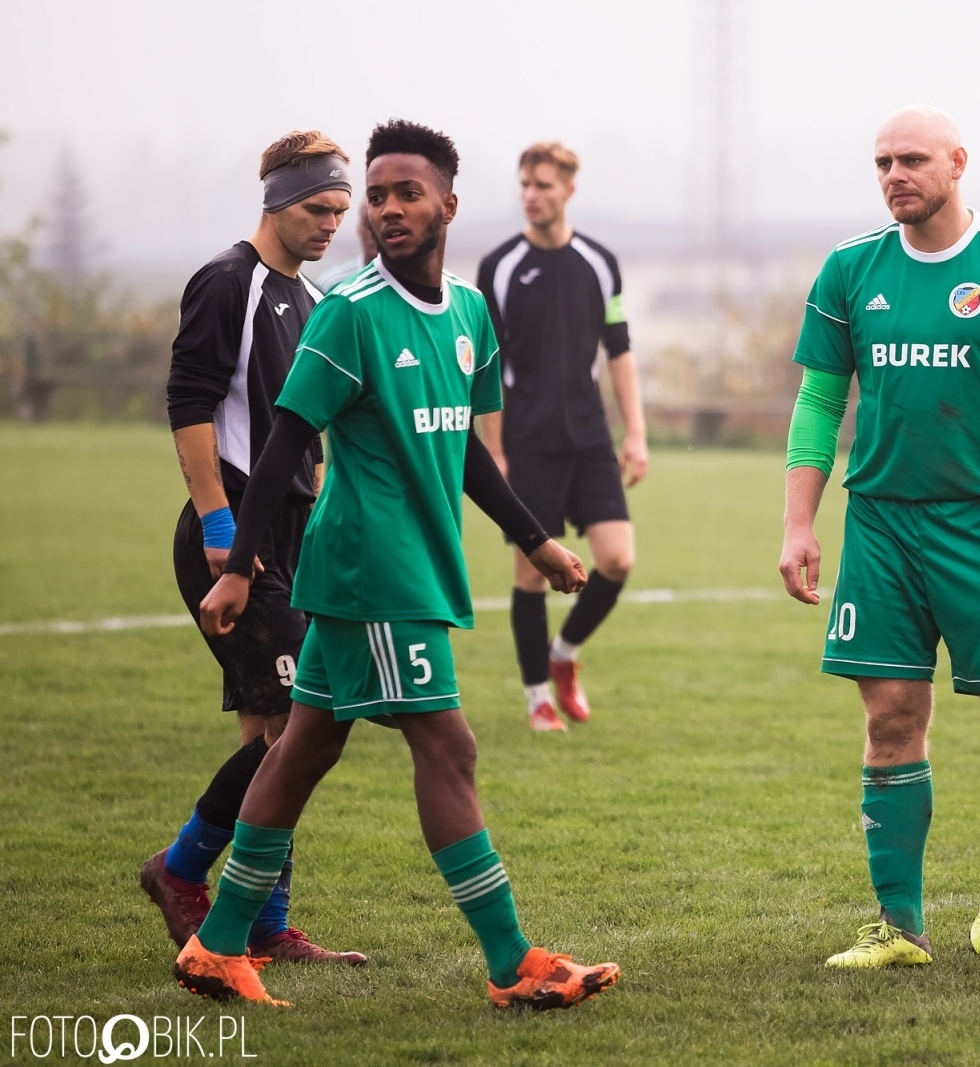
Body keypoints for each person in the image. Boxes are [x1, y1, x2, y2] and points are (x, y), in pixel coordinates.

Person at [174, 119, 620, 1011]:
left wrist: (534, 539)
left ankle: (217, 944)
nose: (385, 210)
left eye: (404, 193)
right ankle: (511, 962)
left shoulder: (466, 313)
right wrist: (234, 564)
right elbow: (286, 444)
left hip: (414, 562)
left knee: (303, 746)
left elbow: (464, 453)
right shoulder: (349, 312)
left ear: (449, 204)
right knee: (448, 745)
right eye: (375, 196)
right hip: (372, 567)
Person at [777, 106, 980, 968]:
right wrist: (799, 524)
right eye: (881, 161)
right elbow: (818, 403)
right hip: (881, 522)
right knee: (890, 717)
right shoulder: (850, 270)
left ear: (958, 162)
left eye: (912, 159)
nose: (893, 174)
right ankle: (900, 925)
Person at [147, 130, 365, 966]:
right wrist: (216, 522)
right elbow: (190, 399)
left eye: (340, 213)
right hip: (235, 533)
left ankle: (265, 924)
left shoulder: (308, 299)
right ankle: (182, 867)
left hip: (291, 537)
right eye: (319, 208)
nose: (330, 225)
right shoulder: (227, 281)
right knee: (294, 731)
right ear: (276, 197)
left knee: (276, 740)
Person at [476, 142, 647, 732]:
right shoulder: (497, 267)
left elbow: (619, 352)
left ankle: (564, 655)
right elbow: (488, 370)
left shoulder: (600, 263)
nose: (531, 195)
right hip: (526, 443)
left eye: (543, 185)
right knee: (531, 573)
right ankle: (536, 697)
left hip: (591, 439)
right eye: (525, 183)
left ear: (568, 190)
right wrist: (494, 449)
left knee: (618, 559)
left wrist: (637, 434)